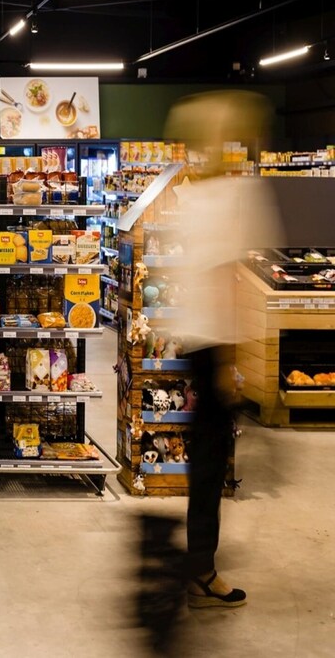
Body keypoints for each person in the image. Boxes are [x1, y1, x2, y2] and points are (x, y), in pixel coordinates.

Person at [165, 91, 284, 609]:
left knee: (206, 461)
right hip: (215, 343)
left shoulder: (192, 194)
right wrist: (234, 362)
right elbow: (224, 278)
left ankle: (198, 559)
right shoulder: (233, 195)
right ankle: (201, 568)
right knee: (212, 463)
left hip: (195, 337)